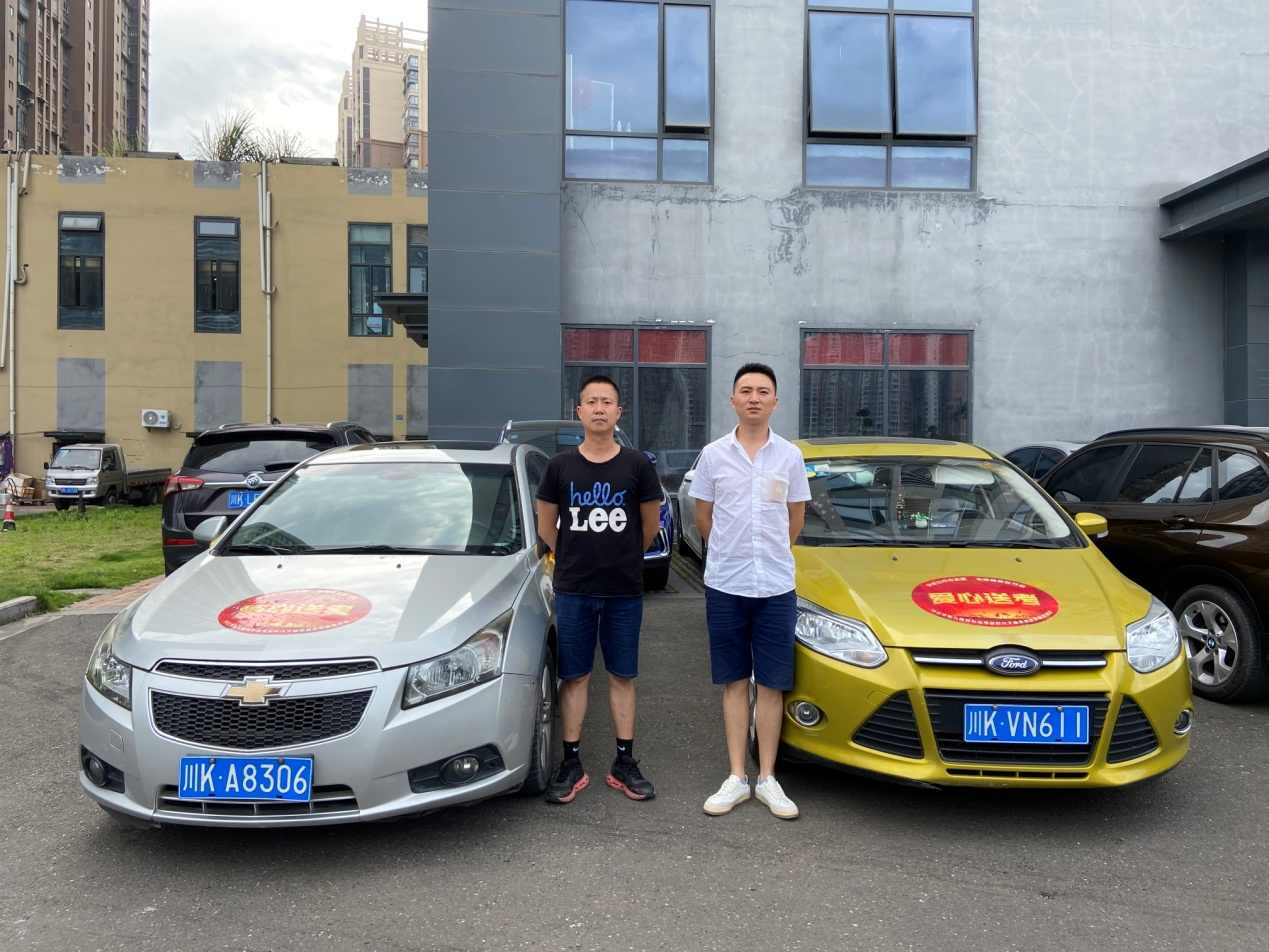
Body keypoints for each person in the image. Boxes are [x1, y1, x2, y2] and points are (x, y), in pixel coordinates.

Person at [690, 363, 810, 820]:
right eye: (746, 390)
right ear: (733, 400)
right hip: (726, 584)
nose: (754, 398)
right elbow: (704, 518)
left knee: (774, 683)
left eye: (763, 391)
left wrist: (770, 553)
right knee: (734, 680)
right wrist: (730, 551)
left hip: (776, 586)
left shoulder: (790, 456)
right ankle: (737, 776)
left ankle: (768, 779)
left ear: (775, 401)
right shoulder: (713, 455)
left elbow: (795, 519)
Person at [536, 375, 663, 804]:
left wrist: (621, 558)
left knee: (622, 676)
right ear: (580, 411)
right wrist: (576, 557)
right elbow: (546, 527)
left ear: (618, 412)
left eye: (607, 402)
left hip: (623, 591)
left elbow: (649, 526)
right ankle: (571, 763)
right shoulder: (559, 467)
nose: (599, 408)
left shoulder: (637, 466)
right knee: (574, 677)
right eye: (591, 401)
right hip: (574, 590)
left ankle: (624, 762)